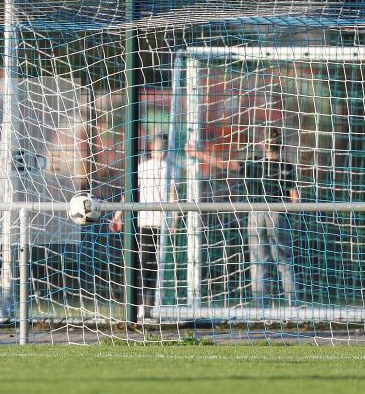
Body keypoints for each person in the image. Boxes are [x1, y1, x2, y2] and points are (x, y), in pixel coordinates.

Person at [186, 128, 298, 307]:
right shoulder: (287, 166)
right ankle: (293, 307)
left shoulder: (253, 162)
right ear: (281, 146)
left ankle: (260, 308)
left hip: (255, 214)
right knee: (283, 262)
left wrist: (197, 153)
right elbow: (295, 198)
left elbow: (224, 164)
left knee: (258, 263)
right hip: (277, 214)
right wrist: (289, 216)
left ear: (263, 144)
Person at [109, 134, 177, 317]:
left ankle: (141, 306)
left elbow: (128, 193)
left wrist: (117, 216)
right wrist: (173, 222)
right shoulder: (170, 169)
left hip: (145, 223)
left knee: (142, 264)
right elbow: (173, 197)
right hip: (157, 224)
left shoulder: (144, 167)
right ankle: (146, 307)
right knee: (151, 266)